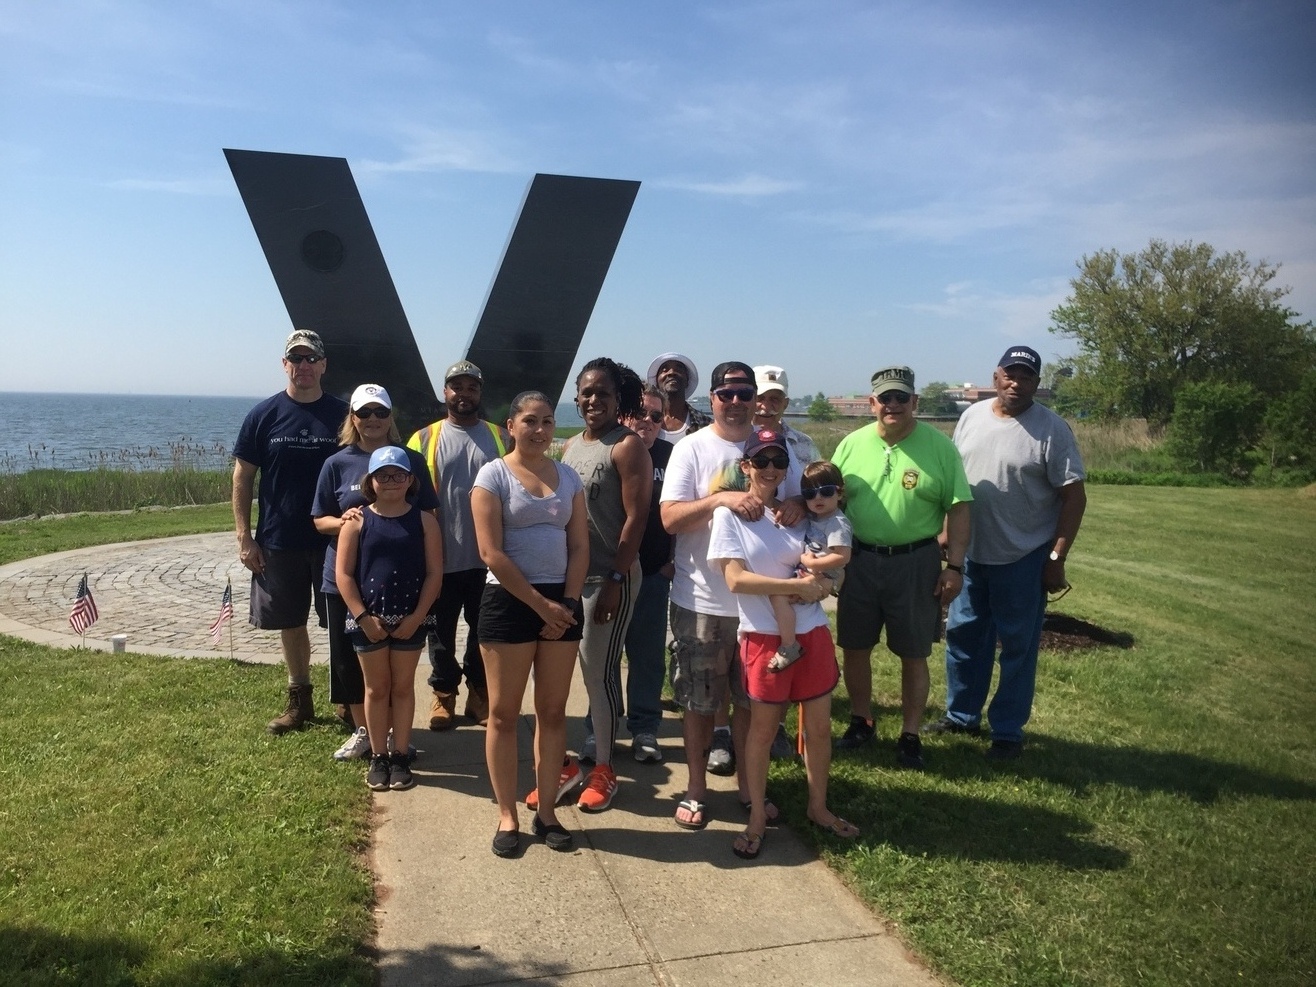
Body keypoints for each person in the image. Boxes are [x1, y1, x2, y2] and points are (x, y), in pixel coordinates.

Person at [660, 362, 805, 831]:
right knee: (699, 702)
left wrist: (797, 504)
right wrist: (722, 499)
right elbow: (670, 520)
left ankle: (747, 786)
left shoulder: (775, 448)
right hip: (701, 598)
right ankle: (697, 787)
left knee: (749, 704)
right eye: (728, 394)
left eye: (746, 393)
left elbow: (807, 500)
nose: (738, 402)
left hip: (760, 605)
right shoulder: (691, 449)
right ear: (714, 398)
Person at [925, 346, 1086, 759]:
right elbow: (955, 482)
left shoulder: (1052, 429)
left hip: (1024, 555)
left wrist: (1056, 558)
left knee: (1017, 647)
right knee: (963, 637)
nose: (1017, 383)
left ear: (1037, 383)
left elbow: (1074, 497)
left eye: (1026, 377)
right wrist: (947, 531)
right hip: (970, 554)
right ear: (996, 377)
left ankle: (1008, 731)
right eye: (1010, 375)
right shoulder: (971, 417)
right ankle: (961, 716)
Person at [710, 428, 859, 859]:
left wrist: (825, 585)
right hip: (762, 638)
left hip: (811, 634)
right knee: (761, 731)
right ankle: (756, 816)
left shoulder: (801, 514)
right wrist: (794, 587)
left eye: (779, 462)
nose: (771, 469)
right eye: (762, 461)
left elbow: (832, 563)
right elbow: (736, 579)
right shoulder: (730, 516)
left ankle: (818, 807)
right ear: (746, 467)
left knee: (818, 730)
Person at [832, 365, 972, 770]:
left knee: (913, 652)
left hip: (916, 562)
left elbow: (960, 508)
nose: (892, 405)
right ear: (872, 402)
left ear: (915, 402)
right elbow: (832, 501)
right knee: (855, 645)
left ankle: (910, 735)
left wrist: (955, 566)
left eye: (901, 398)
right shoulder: (851, 444)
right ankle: (862, 721)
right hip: (859, 560)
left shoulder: (939, 448)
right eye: (885, 398)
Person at [471, 391, 588, 858]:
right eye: (529, 421)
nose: (539, 430)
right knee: (502, 713)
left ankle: (548, 813)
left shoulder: (569, 477)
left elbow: (579, 546)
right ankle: (507, 815)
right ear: (510, 426)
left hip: (561, 604)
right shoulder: (493, 475)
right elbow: (490, 553)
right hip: (509, 602)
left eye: (546, 422)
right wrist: (541, 605)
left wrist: (568, 603)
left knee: (553, 712)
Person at [313, 384, 439, 762]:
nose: (372, 420)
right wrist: (347, 521)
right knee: (352, 666)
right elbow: (319, 520)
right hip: (346, 581)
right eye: (364, 413)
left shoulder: (411, 460)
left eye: (380, 413)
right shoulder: (337, 463)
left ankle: (396, 740)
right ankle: (366, 735)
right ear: (352, 417)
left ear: (390, 417)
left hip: (402, 585)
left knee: (397, 678)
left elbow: (428, 512)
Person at [233, 329, 347, 734]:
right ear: (285, 365)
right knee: (290, 620)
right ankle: (300, 698)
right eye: (295, 359)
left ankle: (348, 699)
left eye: (311, 359)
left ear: (323, 365)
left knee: (341, 620)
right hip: (279, 538)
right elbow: (243, 476)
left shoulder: (345, 414)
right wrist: (245, 536)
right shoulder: (263, 415)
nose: (303, 366)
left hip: (335, 538)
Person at [561, 358, 652, 811]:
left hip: (610, 578)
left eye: (603, 393)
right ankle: (588, 753)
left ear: (620, 400)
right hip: (574, 578)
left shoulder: (627, 445)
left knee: (600, 671)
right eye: (586, 392)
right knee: (580, 670)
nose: (593, 400)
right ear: (576, 397)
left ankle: (605, 767)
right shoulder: (572, 446)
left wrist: (616, 578)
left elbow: (636, 520)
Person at [406, 360, 511, 731]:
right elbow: (409, 498)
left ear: (480, 393)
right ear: (445, 391)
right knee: (440, 632)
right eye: (457, 387)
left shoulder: (502, 437)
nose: (464, 394)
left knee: (485, 630)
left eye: (471, 387)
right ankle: (444, 695)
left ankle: (478, 693)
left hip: (489, 558)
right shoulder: (422, 439)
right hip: (440, 558)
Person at [335, 447, 443, 791]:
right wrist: (363, 616)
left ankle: (400, 755)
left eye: (399, 475)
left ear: (410, 480)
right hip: (369, 621)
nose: (391, 481)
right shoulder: (356, 522)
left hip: (410, 619)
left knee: (402, 687)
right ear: (371, 481)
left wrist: (417, 616)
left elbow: (434, 574)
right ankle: (379, 756)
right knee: (376, 688)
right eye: (383, 476)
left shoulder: (425, 520)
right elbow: (344, 575)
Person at [620, 383, 675, 763]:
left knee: (648, 657)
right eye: (641, 413)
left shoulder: (674, 455)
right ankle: (598, 729)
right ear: (625, 414)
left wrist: (673, 558)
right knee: (602, 659)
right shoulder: (612, 449)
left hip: (655, 573)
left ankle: (644, 729)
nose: (648, 422)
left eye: (656, 416)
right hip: (611, 574)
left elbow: (683, 509)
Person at [768, 460, 853, 671]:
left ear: (840, 493)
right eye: (809, 494)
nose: (818, 498)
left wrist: (811, 562)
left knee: (779, 597)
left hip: (826, 577)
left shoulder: (837, 523)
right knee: (781, 597)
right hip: (815, 574)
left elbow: (843, 556)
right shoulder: (817, 517)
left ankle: (789, 647)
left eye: (825, 491)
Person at [647, 352, 711, 442]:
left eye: (679, 370)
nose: (671, 373)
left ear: (688, 380)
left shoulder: (705, 424)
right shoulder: (643, 422)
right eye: (665, 370)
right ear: (656, 381)